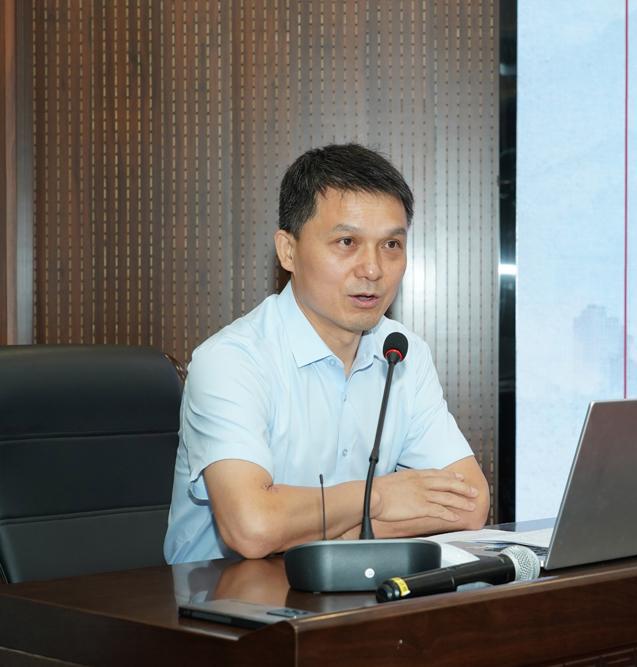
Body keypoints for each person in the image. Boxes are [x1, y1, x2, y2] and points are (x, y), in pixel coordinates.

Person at [164, 143, 489, 564]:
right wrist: (378, 497)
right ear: (288, 251)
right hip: (222, 596)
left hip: (354, 589)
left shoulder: (402, 352)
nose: (372, 269)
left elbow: (469, 503)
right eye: (347, 241)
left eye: (391, 245)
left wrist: (311, 530)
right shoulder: (231, 360)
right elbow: (252, 527)